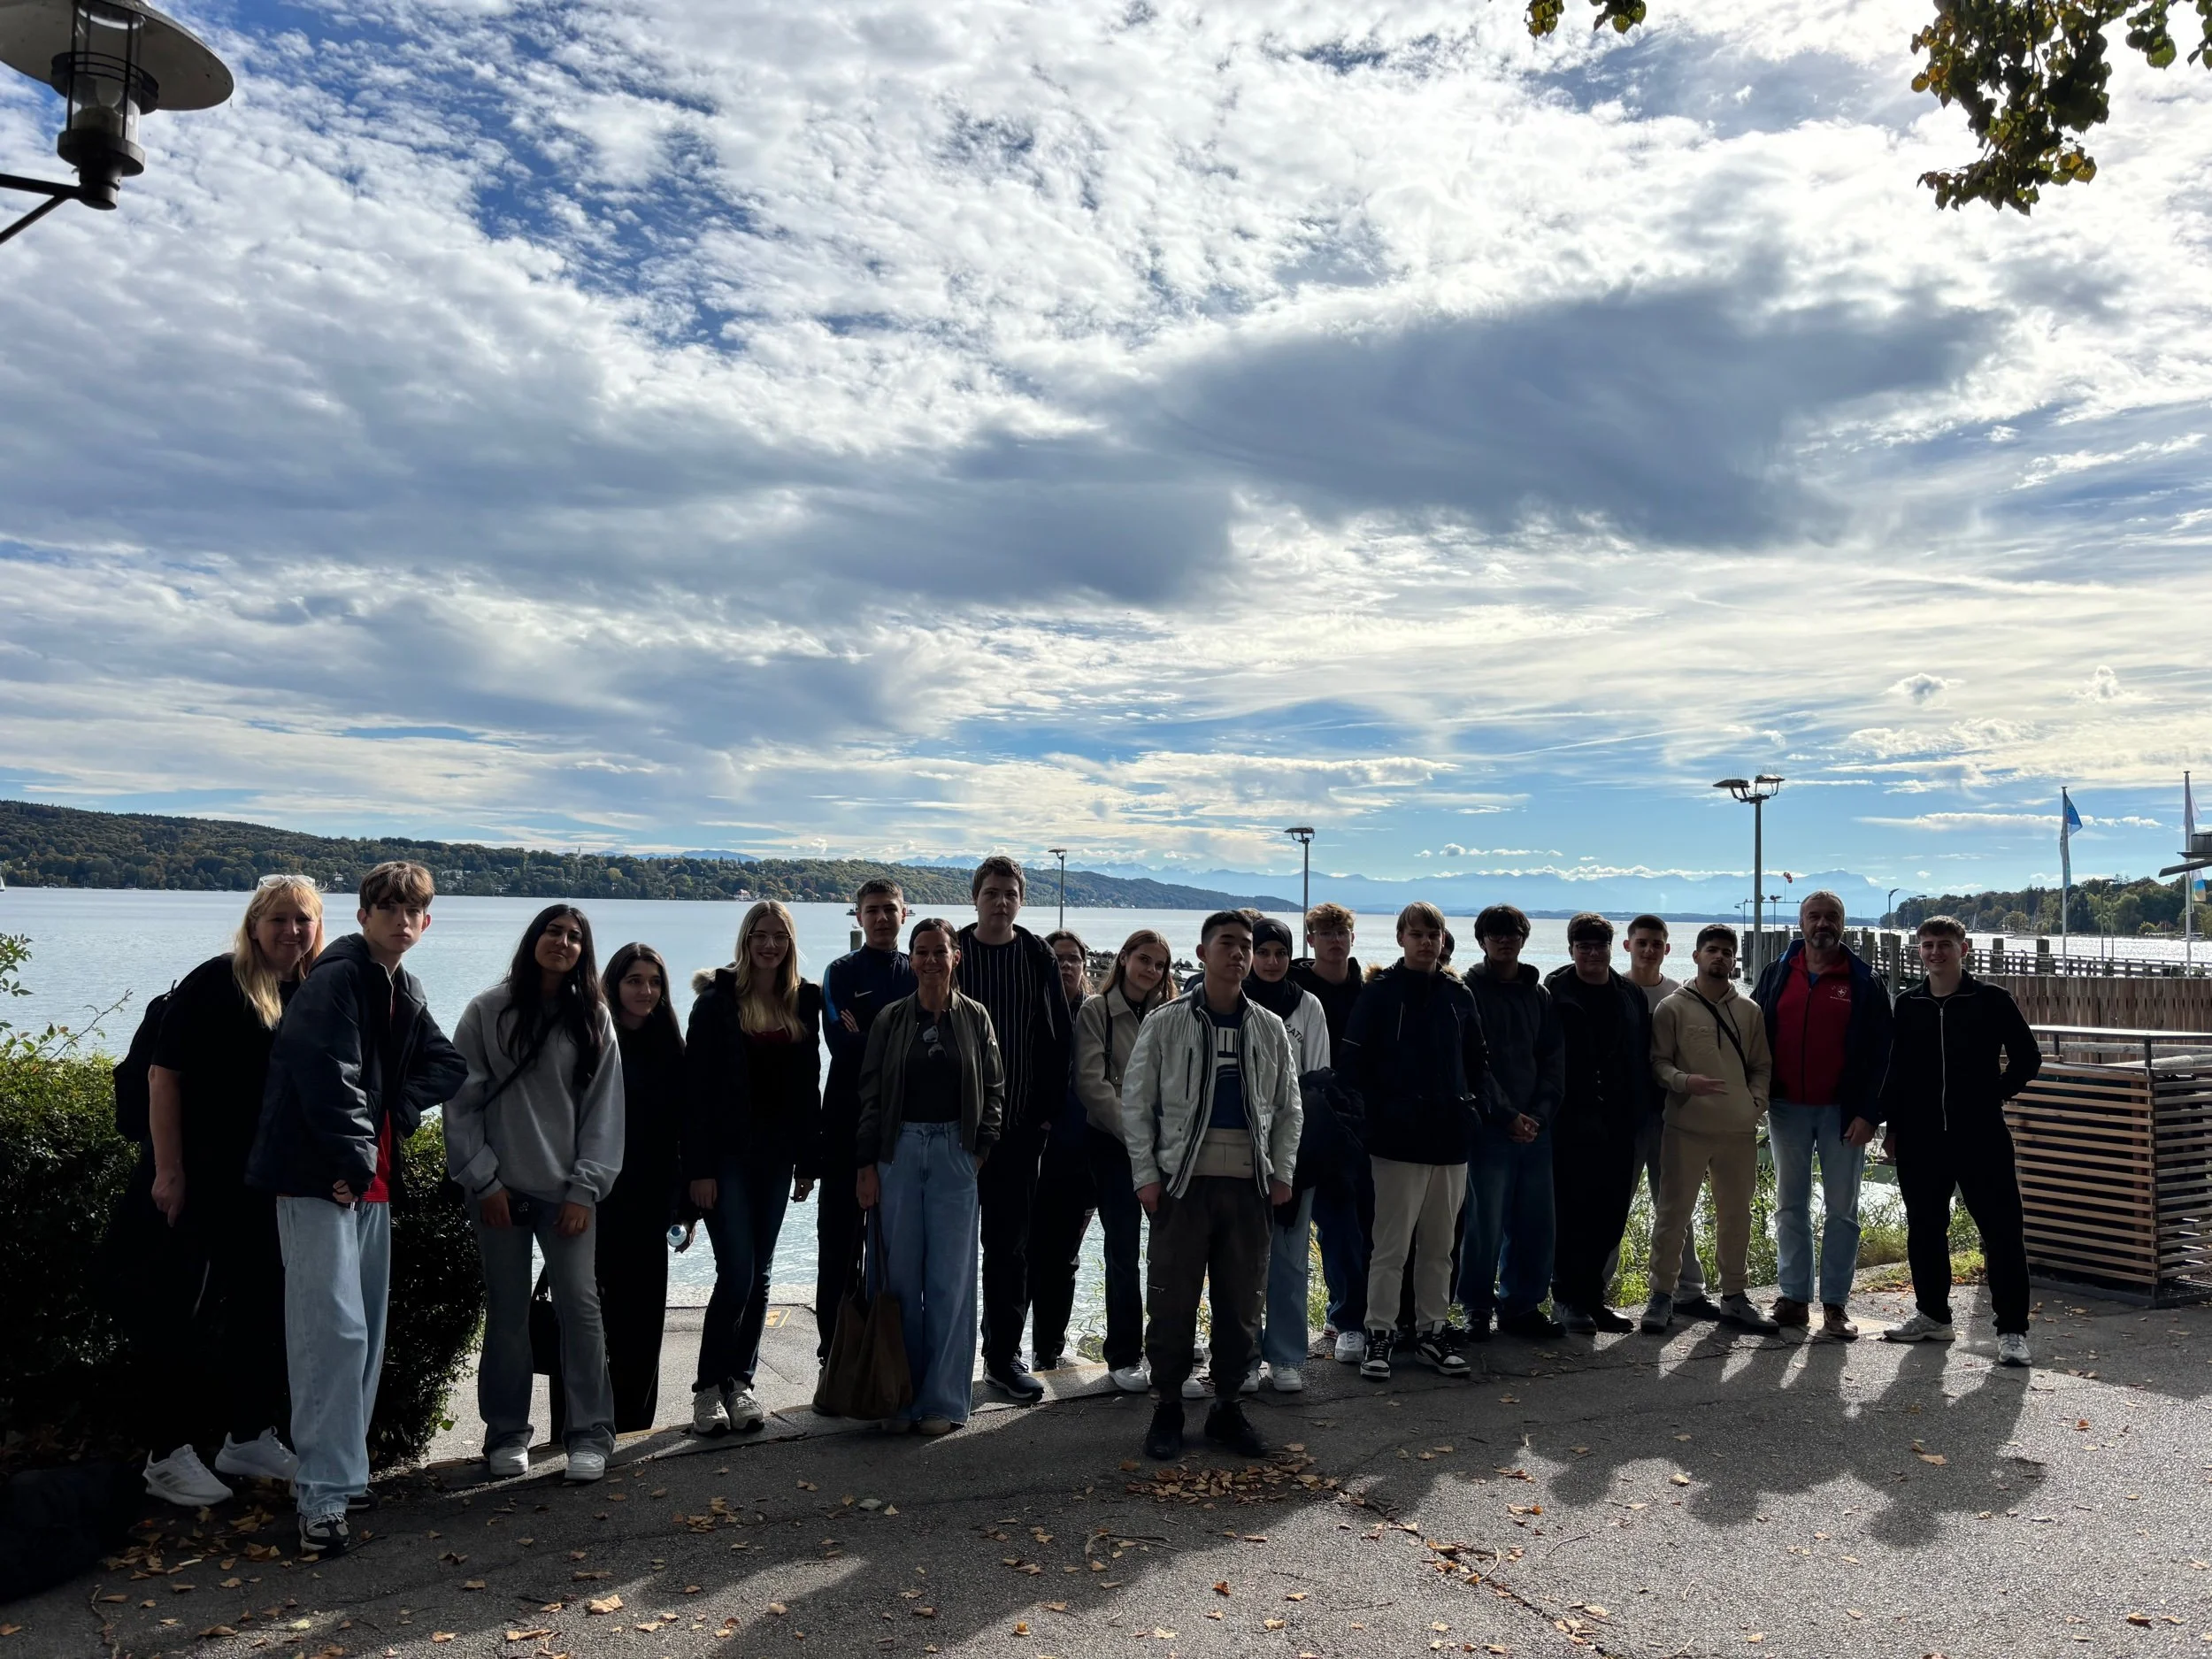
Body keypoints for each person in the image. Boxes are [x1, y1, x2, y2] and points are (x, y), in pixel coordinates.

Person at [246, 862, 466, 1557]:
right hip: (320, 1181)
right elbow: (325, 1073)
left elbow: (445, 1065)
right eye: (388, 908)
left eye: (414, 911)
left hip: (365, 1182)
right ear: (363, 914)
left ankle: (346, 1475)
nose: (401, 921)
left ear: (426, 923)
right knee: (328, 1337)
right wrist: (353, 1157)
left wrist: (393, 1109)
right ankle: (320, 1496)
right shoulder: (337, 978)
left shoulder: (404, 985)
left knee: (362, 1335)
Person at [136, 876, 325, 1509]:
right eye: (278, 919)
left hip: (266, 1185)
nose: (290, 930)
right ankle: (165, 1454)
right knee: (182, 1313)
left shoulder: (307, 989)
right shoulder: (215, 982)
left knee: (260, 1311)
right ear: (253, 924)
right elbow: (164, 1079)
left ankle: (248, 1435)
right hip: (199, 1179)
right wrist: (169, 1170)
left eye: (302, 919)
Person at [445, 906, 626, 1482]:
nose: (564, 942)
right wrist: (483, 1178)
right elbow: (461, 1102)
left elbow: (604, 1112)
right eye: (554, 931)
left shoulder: (593, 1017)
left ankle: (591, 1433)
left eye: (575, 937)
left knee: (580, 1308)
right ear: (535, 938)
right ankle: (505, 1432)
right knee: (506, 1314)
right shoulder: (486, 1011)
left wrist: (584, 1188)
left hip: (567, 1194)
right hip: (499, 1190)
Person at [1122, 910, 1300, 1462]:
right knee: (1172, 1300)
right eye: (1227, 944)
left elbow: (1288, 1108)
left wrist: (1282, 1171)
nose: (1239, 953)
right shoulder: (1167, 1021)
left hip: (1247, 1186)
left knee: (1242, 1302)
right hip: (1183, 1183)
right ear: (1201, 954)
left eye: (1246, 945)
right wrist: (1147, 1177)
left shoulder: (1268, 1028)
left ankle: (1227, 1406)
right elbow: (1137, 1103)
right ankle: (1169, 1406)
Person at [855, 917, 1006, 1434]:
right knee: (898, 1280)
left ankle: (942, 1401)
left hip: (954, 1154)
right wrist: (867, 1164)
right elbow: (870, 1095)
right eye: (920, 951)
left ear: (955, 956)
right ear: (911, 957)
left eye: (938, 951)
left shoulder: (976, 1018)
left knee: (951, 1283)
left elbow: (994, 1089)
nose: (928, 960)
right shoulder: (891, 1019)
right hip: (898, 1152)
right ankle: (898, 1395)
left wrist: (978, 1152)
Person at [1873, 917, 2040, 1364]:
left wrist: (1996, 1093)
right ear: (1919, 951)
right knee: (1926, 1230)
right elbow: (1896, 1071)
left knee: (2002, 1232)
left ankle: (2011, 1331)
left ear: (1963, 949)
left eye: (1944, 945)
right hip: (1920, 1137)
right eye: (1927, 945)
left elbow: (2028, 1057)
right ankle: (1933, 1316)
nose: (1935, 953)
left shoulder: (1990, 1000)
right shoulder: (1907, 1004)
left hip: (1981, 1134)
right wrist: (1891, 1127)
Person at [683, 902, 824, 1435]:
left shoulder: (803, 1000)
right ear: (745, 940)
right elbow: (693, 1095)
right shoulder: (716, 1002)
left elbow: (809, 1086)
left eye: (780, 938)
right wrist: (697, 1170)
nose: (770, 946)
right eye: (761, 936)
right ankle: (706, 1391)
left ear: (790, 944)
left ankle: (740, 1383)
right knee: (736, 1272)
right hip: (726, 1158)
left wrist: (810, 1160)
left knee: (761, 1276)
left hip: (778, 1157)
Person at [1340, 902, 1489, 1381]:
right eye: (1417, 934)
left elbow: (1478, 1063)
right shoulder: (1379, 994)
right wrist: (1374, 1121)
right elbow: (1353, 1069)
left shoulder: (1458, 995)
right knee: (1390, 1246)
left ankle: (1432, 1331)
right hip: (1395, 1142)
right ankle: (1379, 1333)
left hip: (1450, 1141)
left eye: (1434, 934)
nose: (1426, 942)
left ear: (1444, 940)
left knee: (1441, 1246)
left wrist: (1476, 1112)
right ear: (1401, 938)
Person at [954, 856, 1075, 1402]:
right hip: (953, 1131)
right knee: (951, 1250)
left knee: (1009, 1251)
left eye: (1010, 893)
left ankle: (1002, 1358)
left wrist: (1044, 1114)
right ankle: (944, 1359)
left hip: (1020, 1129)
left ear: (1020, 900)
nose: (1000, 902)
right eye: (991, 893)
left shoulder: (1035, 954)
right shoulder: (953, 951)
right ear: (975, 897)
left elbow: (1057, 1038)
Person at [1751, 890, 1893, 1340]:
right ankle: (1793, 1298)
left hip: (1842, 1114)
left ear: (1843, 925)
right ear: (1801, 923)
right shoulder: (1776, 975)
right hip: (1787, 1108)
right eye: (1814, 916)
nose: (1822, 924)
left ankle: (1835, 1304)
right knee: (1789, 1207)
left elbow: (1883, 1055)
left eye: (1831, 917)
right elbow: (1750, 1033)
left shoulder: (1863, 981)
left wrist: (1870, 1114)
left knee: (1842, 1211)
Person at [1642, 925, 1780, 1336]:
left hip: (1737, 1132)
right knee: (1673, 1214)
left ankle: (1735, 1297)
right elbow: (1657, 1064)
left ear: (1734, 960)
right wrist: (1686, 1082)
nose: (1719, 957)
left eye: (1727, 952)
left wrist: (1756, 1102)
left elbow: (1762, 1066)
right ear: (1697, 956)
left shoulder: (1749, 1011)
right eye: (1712, 950)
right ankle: (1662, 1295)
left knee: (1735, 1216)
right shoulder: (1672, 1008)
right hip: (1686, 1127)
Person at [1070, 928, 1176, 1394]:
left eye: (1159, 964)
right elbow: (1091, 1084)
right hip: (1114, 1147)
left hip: (1166, 1146)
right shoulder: (1097, 1011)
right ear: (1125, 958)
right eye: (1144, 959)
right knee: (1122, 1251)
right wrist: (1137, 1135)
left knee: (1173, 1252)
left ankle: (1170, 1348)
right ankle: (1124, 1353)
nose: (1151, 970)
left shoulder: (1171, 1015)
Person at [817, 880, 916, 1362]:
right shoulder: (839, 972)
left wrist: (870, 1031)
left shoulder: (917, 970)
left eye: (889, 910)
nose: (881, 918)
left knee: (895, 1248)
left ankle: (889, 1352)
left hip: (902, 1127)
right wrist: (894, 1036)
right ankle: (832, 1352)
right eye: (871, 910)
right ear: (857, 916)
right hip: (843, 1124)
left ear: (905, 914)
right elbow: (841, 1045)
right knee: (838, 1245)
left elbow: (922, 1050)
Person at [1459, 903, 1565, 1340]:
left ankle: (1522, 1305)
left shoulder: (1539, 995)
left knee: (1536, 1223)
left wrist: (1538, 1115)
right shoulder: (1465, 991)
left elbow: (1553, 1060)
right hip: (1488, 1127)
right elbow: (1471, 1063)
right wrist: (1504, 1114)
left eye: (1513, 933)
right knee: (1483, 1225)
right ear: (1482, 940)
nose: (1505, 940)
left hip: (1536, 1129)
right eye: (1496, 933)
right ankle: (1478, 1309)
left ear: (1524, 939)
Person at [1541, 914, 1651, 1334]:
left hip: (1620, 1121)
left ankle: (1592, 1298)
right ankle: (1566, 1299)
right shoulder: (1553, 990)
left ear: (1611, 948)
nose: (1591, 953)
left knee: (1610, 1215)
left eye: (1599, 946)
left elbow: (1640, 1054)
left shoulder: (1629, 995)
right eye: (1583, 946)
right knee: (1570, 1215)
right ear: (1571, 949)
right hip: (1570, 1122)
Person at [593, 943, 687, 1432]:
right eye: (634, 980)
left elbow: (684, 1131)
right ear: (613, 983)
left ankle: (631, 1423)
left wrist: (685, 1211)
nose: (646, 990)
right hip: (598, 1195)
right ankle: (581, 1421)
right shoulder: (594, 1038)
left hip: (652, 1199)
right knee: (592, 1316)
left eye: (654, 981)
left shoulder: (669, 1043)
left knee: (643, 1317)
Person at [1608, 915, 1718, 1320]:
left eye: (1657, 943)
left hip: (1672, 1116)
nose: (1649, 950)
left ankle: (1688, 1289)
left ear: (1667, 949)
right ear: (1628, 946)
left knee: (1674, 1205)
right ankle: (1594, 1291)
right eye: (1642, 943)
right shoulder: (1614, 990)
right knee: (1613, 1205)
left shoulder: (1679, 996)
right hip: (1624, 1119)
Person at [1242, 917, 1333, 1393]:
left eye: (1280, 952)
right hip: (1239, 1148)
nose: (1273, 961)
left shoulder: (1308, 1005)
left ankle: (1286, 1356)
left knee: (1291, 1258)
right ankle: (1242, 1355)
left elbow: (1318, 1078)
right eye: (1264, 952)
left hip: (1297, 1147)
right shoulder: (1236, 1001)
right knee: (1240, 1259)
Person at [1289, 902, 1371, 1363]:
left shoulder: (1368, 992)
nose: (1334, 939)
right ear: (1311, 939)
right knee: (1290, 1228)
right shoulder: (1294, 992)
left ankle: (1347, 1318)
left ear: (1353, 938)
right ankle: (1280, 1331)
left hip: (1353, 1127)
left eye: (1341, 931)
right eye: (1324, 931)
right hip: (1302, 1122)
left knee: (1348, 1228)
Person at [1026, 930, 1096, 1373]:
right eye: (1057, 958)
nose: (1065, 965)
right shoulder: (1032, 1012)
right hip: (1031, 1154)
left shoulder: (1093, 1017)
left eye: (1073, 959)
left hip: (1080, 1155)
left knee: (1063, 1259)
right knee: (1022, 1252)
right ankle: (1005, 1348)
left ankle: (1049, 1349)